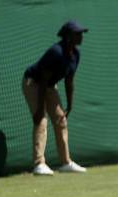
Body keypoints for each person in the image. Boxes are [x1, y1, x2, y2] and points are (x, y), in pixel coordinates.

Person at [22, 20, 88, 176]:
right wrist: (39, 108)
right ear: (68, 36)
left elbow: (69, 81)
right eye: (77, 34)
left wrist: (69, 105)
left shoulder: (76, 55)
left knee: (61, 119)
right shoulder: (56, 52)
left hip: (49, 85)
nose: (81, 37)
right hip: (33, 83)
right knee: (41, 120)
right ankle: (39, 164)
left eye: (81, 33)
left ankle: (65, 163)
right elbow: (43, 80)